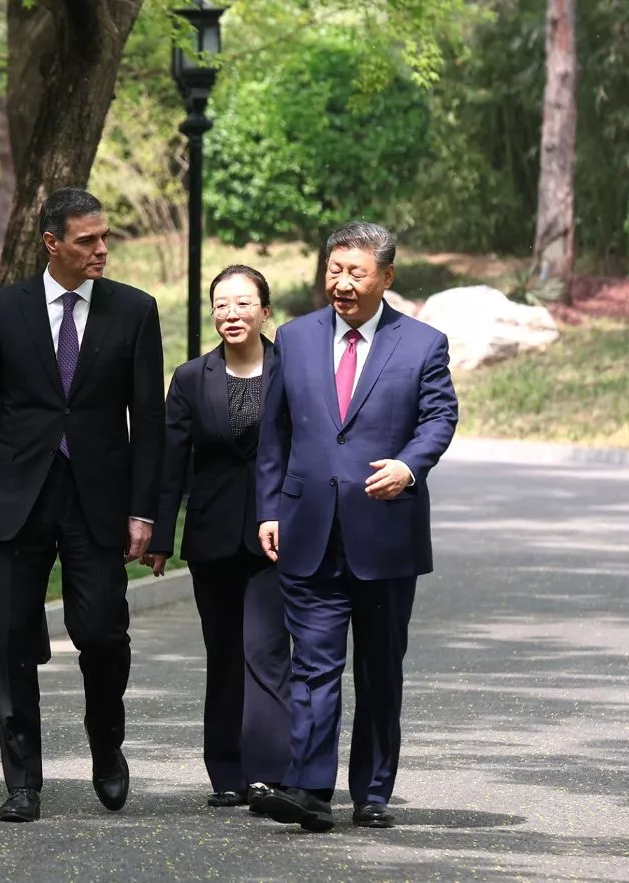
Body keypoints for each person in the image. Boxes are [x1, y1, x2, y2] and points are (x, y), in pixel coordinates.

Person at [0, 187, 165, 823]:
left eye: (105, 238)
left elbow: (148, 423)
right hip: (17, 500)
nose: (101, 249)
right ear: (53, 243)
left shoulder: (134, 311)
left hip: (97, 501)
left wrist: (143, 512)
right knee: (14, 639)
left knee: (100, 632)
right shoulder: (4, 312)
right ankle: (23, 782)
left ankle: (107, 747)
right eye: (87, 240)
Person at [255, 221, 457, 831]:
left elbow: (439, 417)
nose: (341, 284)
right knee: (314, 665)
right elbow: (276, 435)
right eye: (334, 271)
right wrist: (269, 508)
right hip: (307, 528)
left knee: (378, 668)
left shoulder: (422, 343)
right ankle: (312, 791)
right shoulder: (293, 337)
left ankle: (372, 791)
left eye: (356, 273)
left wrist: (409, 465)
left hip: (385, 532)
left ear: (386, 277)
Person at [143, 265, 291, 811]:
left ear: (265, 310)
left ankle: (269, 772)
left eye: (244, 304)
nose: (232, 314)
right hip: (211, 536)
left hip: (277, 536)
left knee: (267, 650)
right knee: (223, 653)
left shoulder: (292, 368)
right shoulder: (190, 378)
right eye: (222, 305)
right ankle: (226, 772)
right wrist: (159, 535)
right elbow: (171, 461)